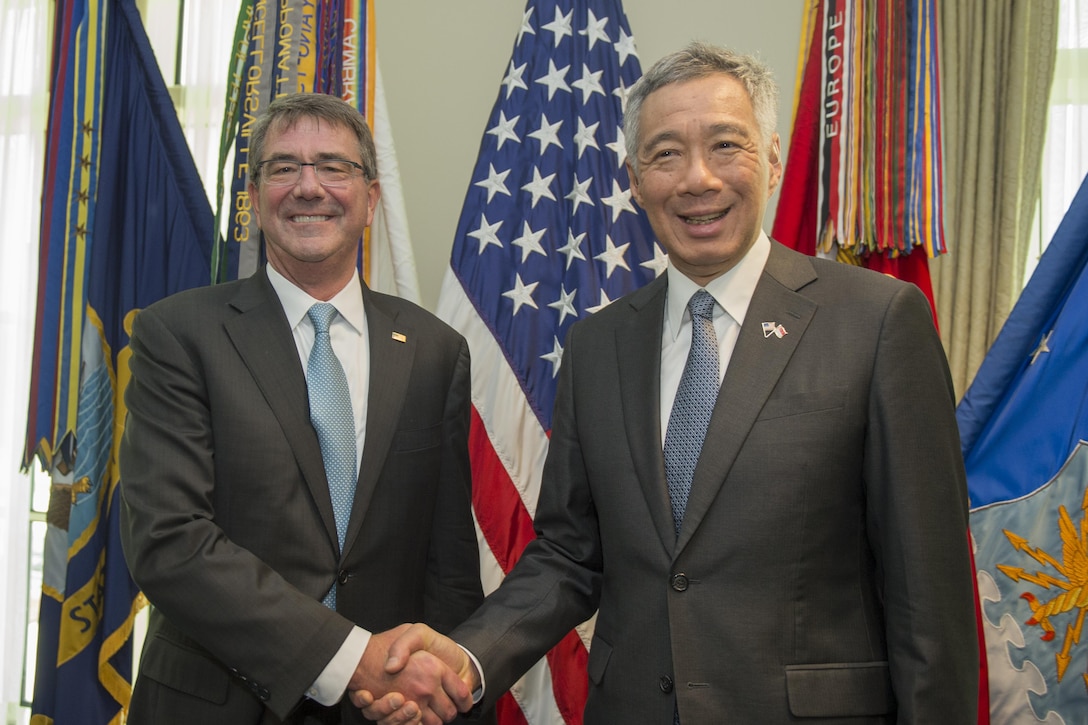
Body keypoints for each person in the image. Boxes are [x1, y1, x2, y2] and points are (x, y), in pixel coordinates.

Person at [361, 42, 979, 724]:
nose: (697, 179)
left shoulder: (877, 322)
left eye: (725, 146)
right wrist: (467, 656)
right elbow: (569, 553)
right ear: (632, 178)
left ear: (772, 160)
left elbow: (930, 593)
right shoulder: (599, 345)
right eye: (664, 154)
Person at [119, 93, 482, 725]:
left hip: (389, 709)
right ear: (255, 198)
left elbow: (446, 562)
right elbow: (169, 540)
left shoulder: (434, 351)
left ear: (370, 198)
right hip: (216, 705)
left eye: (333, 167)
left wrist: (440, 694)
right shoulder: (177, 334)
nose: (308, 188)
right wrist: (348, 658)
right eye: (283, 168)